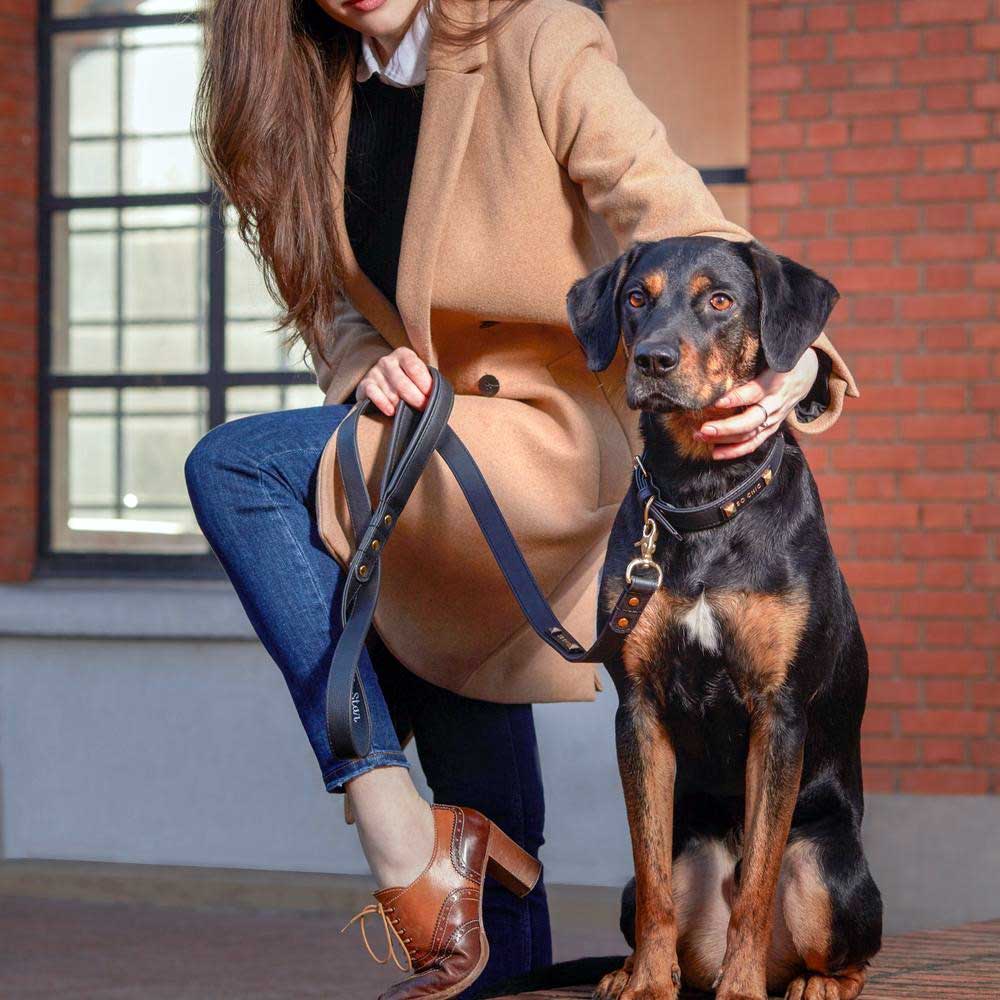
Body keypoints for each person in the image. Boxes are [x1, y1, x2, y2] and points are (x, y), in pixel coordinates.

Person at [186, 1, 859, 997]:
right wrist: (365, 362)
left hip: (540, 449)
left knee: (238, 469)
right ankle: (473, 873)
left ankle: (388, 814)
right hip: (423, 457)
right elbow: (328, 299)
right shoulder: (302, 99)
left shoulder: (535, 36)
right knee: (488, 807)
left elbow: (668, 208)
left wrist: (795, 361)